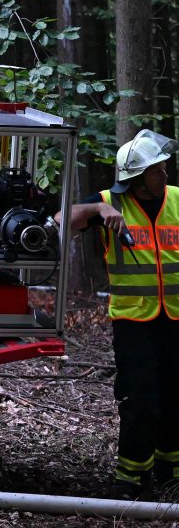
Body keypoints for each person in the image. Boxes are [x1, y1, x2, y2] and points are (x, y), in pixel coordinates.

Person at [54, 128, 179, 499]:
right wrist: (97, 209)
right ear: (139, 178)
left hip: (175, 319)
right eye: (158, 171)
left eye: (165, 168)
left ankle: (170, 473)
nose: (166, 175)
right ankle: (130, 479)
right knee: (141, 400)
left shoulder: (176, 199)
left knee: (174, 398)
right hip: (134, 323)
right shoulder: (110, 202)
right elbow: (62, 219)